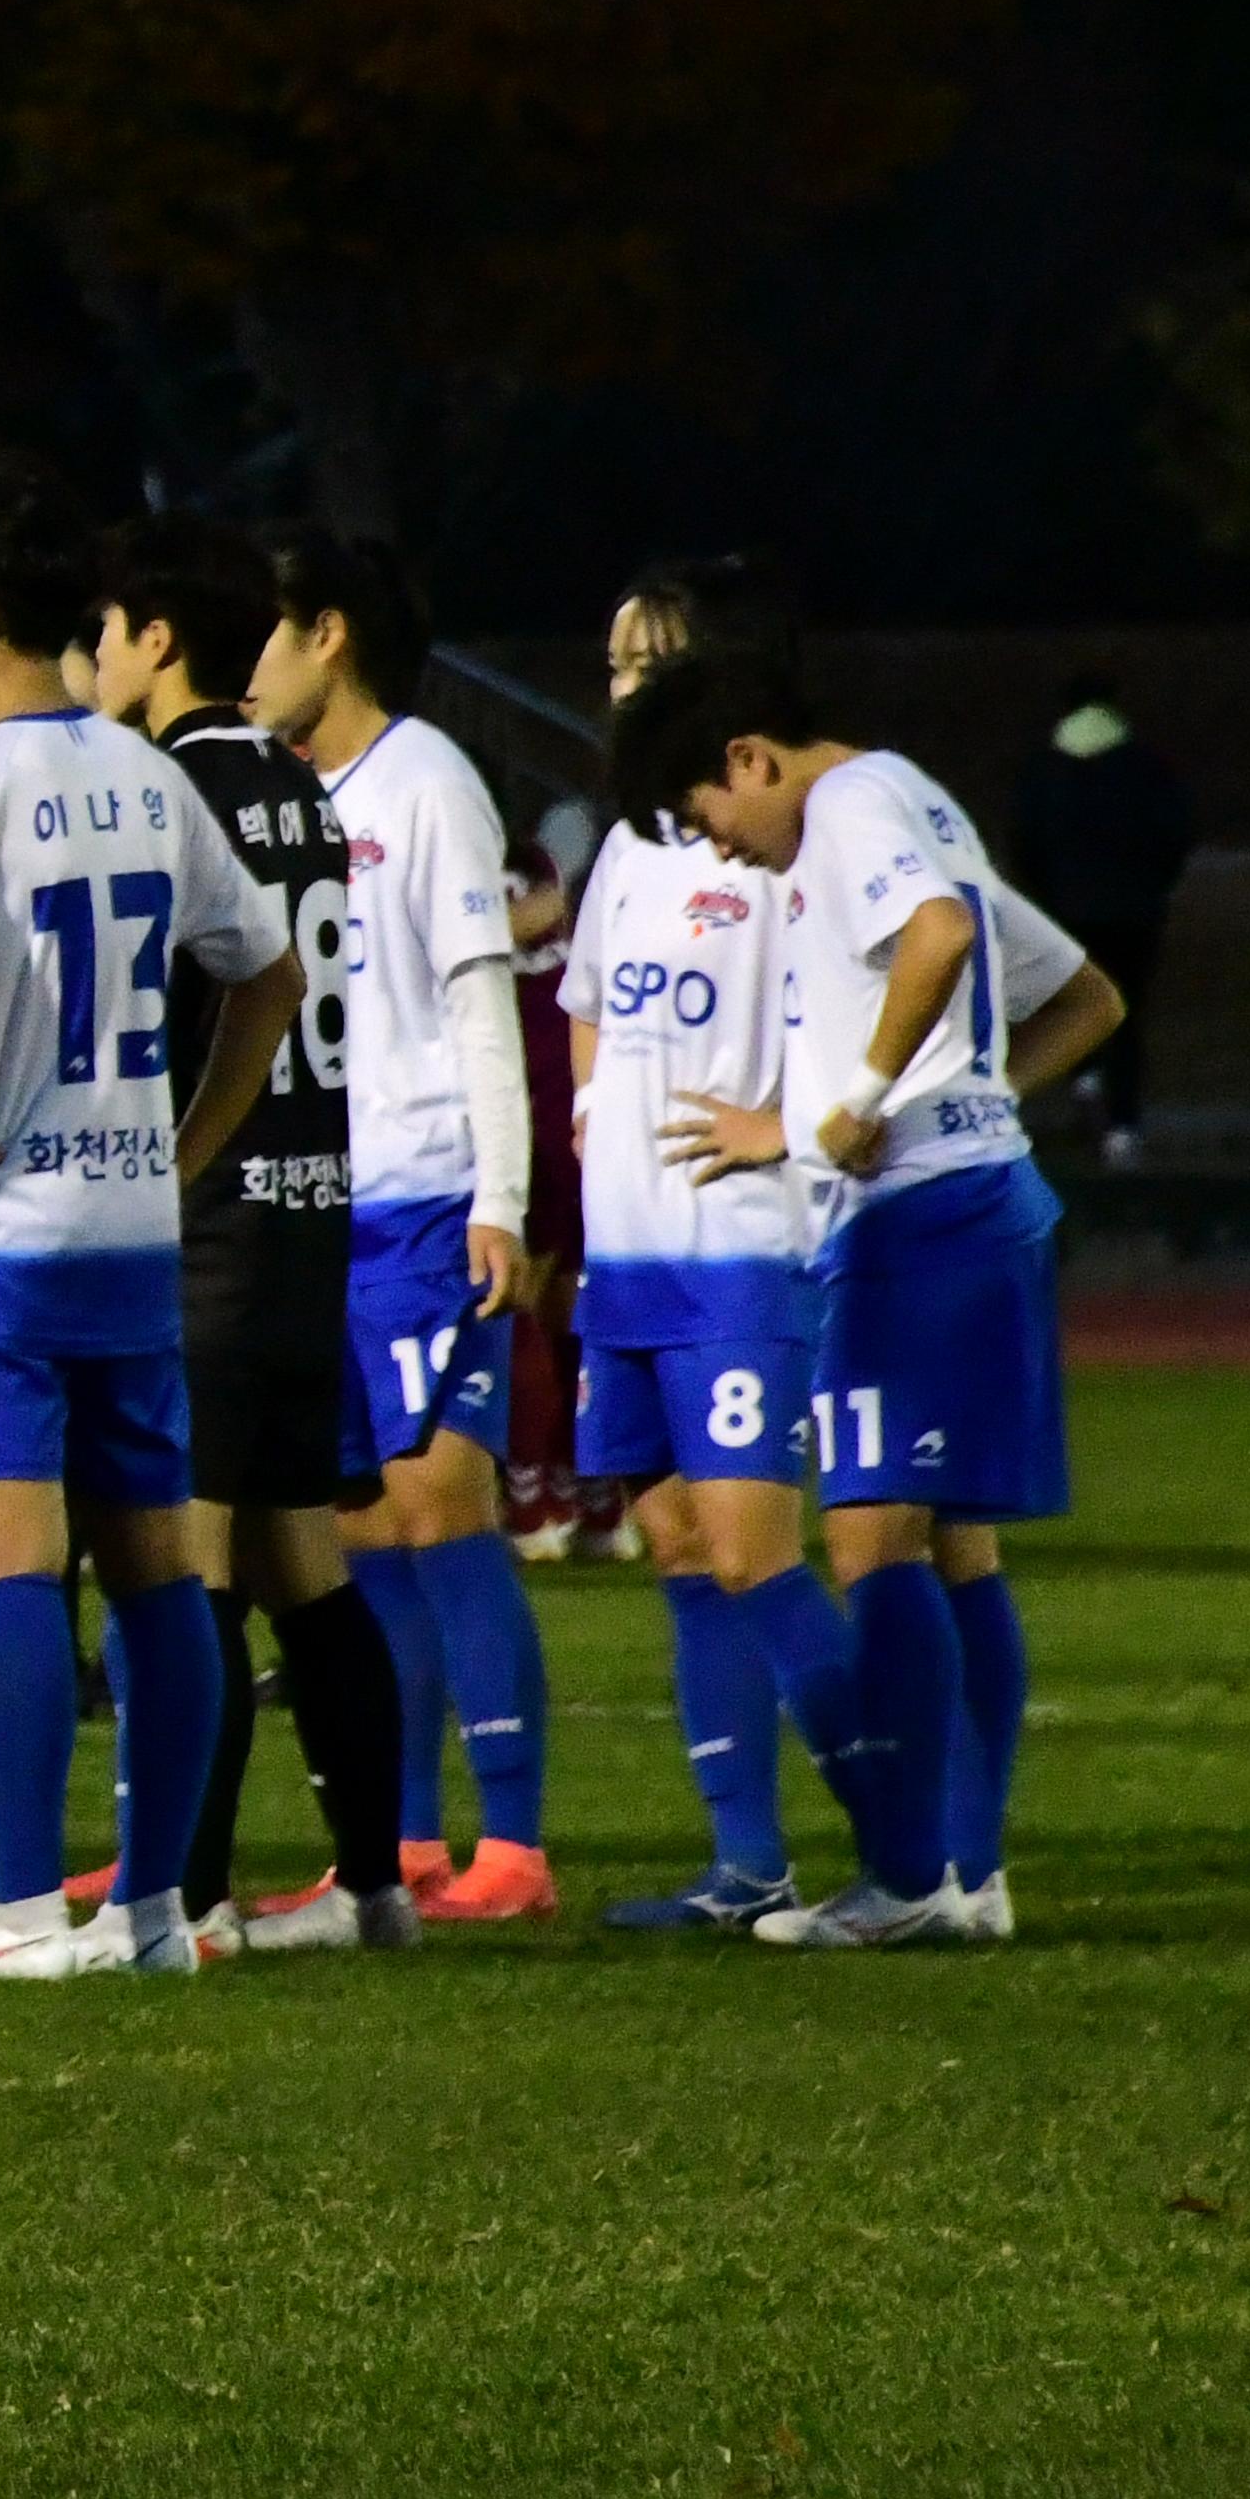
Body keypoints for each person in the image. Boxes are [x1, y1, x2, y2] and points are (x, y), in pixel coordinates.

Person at [0, 446, 300, 1983]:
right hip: (127, 1229)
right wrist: (185, 1147)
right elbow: (268, 970)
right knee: (160, 1568)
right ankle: (157, 1914)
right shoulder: (148, 775)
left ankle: (26, 1906)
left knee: (12, 1565)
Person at [610, 645, 1124, 1948]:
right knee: (951, 1546)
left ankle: (906, 1882)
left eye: (705, 815)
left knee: (870, 1539)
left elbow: (943, 939)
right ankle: (966, 1872)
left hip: (924, 1224)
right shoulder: (917, 798)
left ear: (751, 760)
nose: (716, 850)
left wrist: (862, 1103)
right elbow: (1084, 995)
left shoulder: (850, 809)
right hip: (968, 1198)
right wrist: (963, 1102)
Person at [90, 514, 416, 1955]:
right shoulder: (303, 784)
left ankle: (190, 1896)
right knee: (305, 1566)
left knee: (191, 1568)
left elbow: (175, 1007)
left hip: (209, 1220)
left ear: (157, 641)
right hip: (311, 1218)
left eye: (104, 632)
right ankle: (373, 1886)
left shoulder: (156, 793)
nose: (92, 657)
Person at [247, 530, 559, 1921]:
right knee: (361, 1526)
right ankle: (410, 1838)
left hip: (428, 1195)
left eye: (266, 633)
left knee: (442, 1503)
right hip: (329, 1207)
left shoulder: (428, 781)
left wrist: (501, 1198)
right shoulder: (283, 794)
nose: (245, 665)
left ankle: (518, 1848)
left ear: (328, 636)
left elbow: (480, 992)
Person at [563, 559, 821, 1930]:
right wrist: (600, 1102)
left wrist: (786, 1124)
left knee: (751, 1552)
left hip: (741, 1251)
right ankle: (747, 1867)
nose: (615, 692)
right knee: (674, 1545)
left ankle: (905, 1845)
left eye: (640, 667)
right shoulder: (631, 846)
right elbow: (592, 997)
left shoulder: (791, 842)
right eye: (609, 669)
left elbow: (893, 992)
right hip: (628, 1258)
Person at [1013, 672, 1190, 1166]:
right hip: (1134, 913)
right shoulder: (1148, 768)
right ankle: (1123, 1128)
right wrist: (1153, 886)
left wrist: (1047, 896)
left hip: (1066, 914)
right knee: (1127, 1017)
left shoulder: (1043, 770)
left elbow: (1024, 839)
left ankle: (1085, 1082)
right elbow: (1175, 833)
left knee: (1076, 1004)